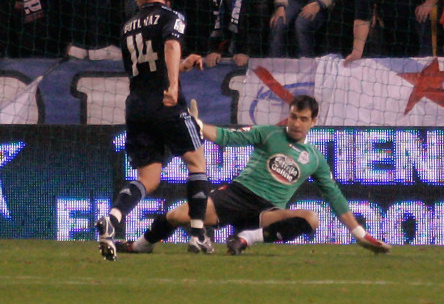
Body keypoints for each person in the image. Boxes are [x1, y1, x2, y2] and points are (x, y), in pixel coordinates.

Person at [121, 95, 392, 256]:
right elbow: (227, 137)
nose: (296, 123)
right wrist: (198, 125)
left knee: (311, 218)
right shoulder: (269, 133)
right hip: (237, 196)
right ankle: (141, 246)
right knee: (177, 215)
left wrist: (358, 233)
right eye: (293, 116)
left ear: (314, 121)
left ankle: (246, 238)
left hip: (267, 212)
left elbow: (334, 196)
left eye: (303, 119)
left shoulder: (316, 159)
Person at [95, 0, 211, 261]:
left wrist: (181, 66)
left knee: (149, 177)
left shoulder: (128, 25)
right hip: (165, 102)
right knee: (196, 162)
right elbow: (170, 46)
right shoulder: (173, 16)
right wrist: (174, 84)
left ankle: (113, 218)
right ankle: (198, 235)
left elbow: (148, 63)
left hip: (136, 105)